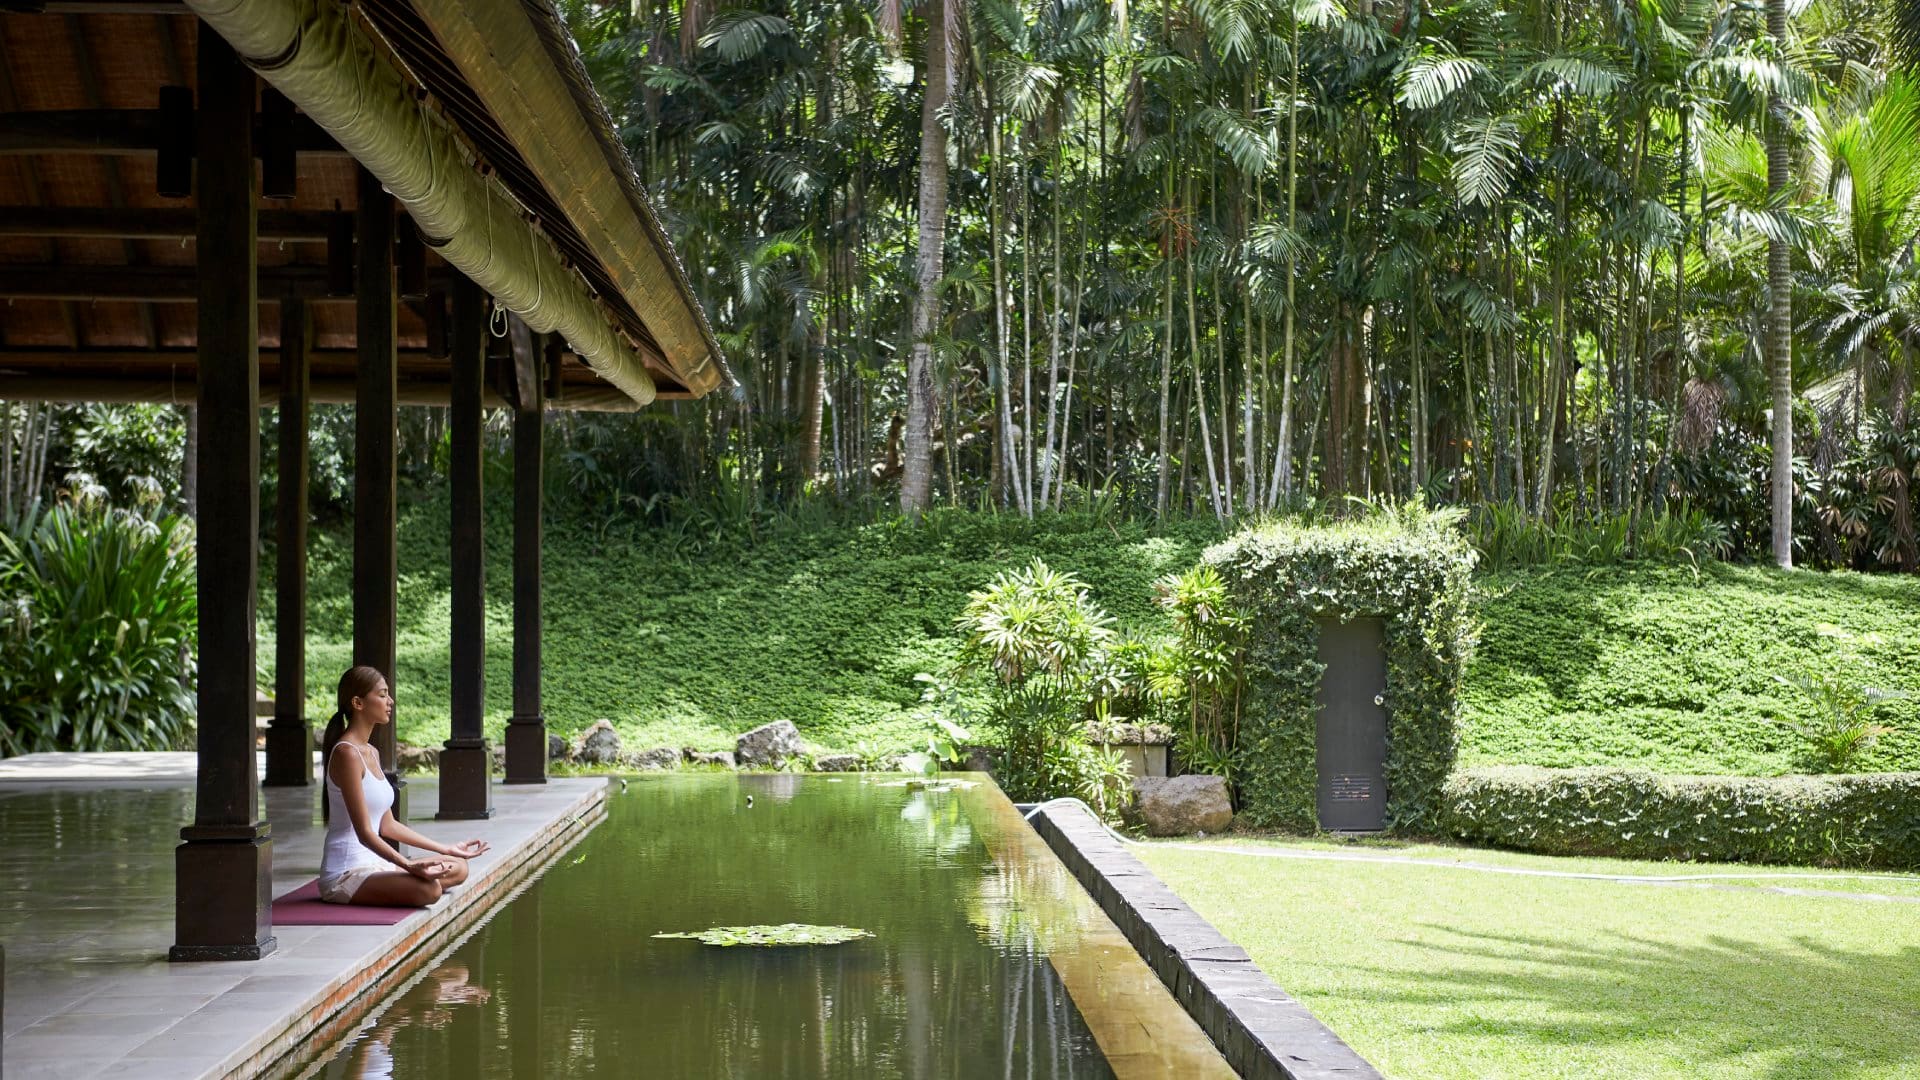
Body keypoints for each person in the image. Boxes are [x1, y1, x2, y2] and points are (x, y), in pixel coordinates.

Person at [319, 666, 490, 906]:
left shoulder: (372, 752)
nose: (390, 701)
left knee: (459, 866)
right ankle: (410, 882)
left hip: (377, 864)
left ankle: (409, 880)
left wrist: (447, 848)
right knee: (429, 890)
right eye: (382, 695)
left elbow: (387, 825)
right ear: (358, 703)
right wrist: (408, 865)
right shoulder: (347, 753)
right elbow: (365, 833)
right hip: (346, 872)